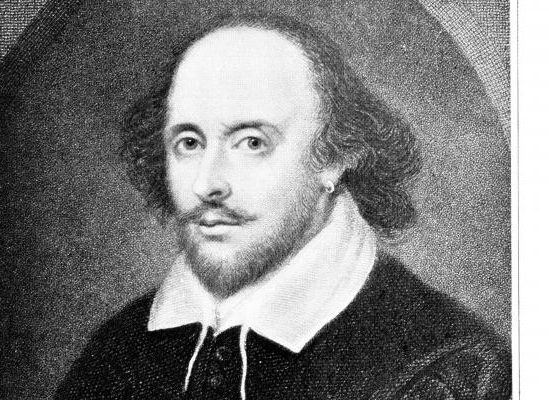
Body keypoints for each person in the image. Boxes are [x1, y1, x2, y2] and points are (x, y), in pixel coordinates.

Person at [55, 14, 510, 400]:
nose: (206, 183)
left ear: (335, 156)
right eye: (189, 142)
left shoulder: (451, 368)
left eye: (252, 142)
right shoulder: (118, 351)